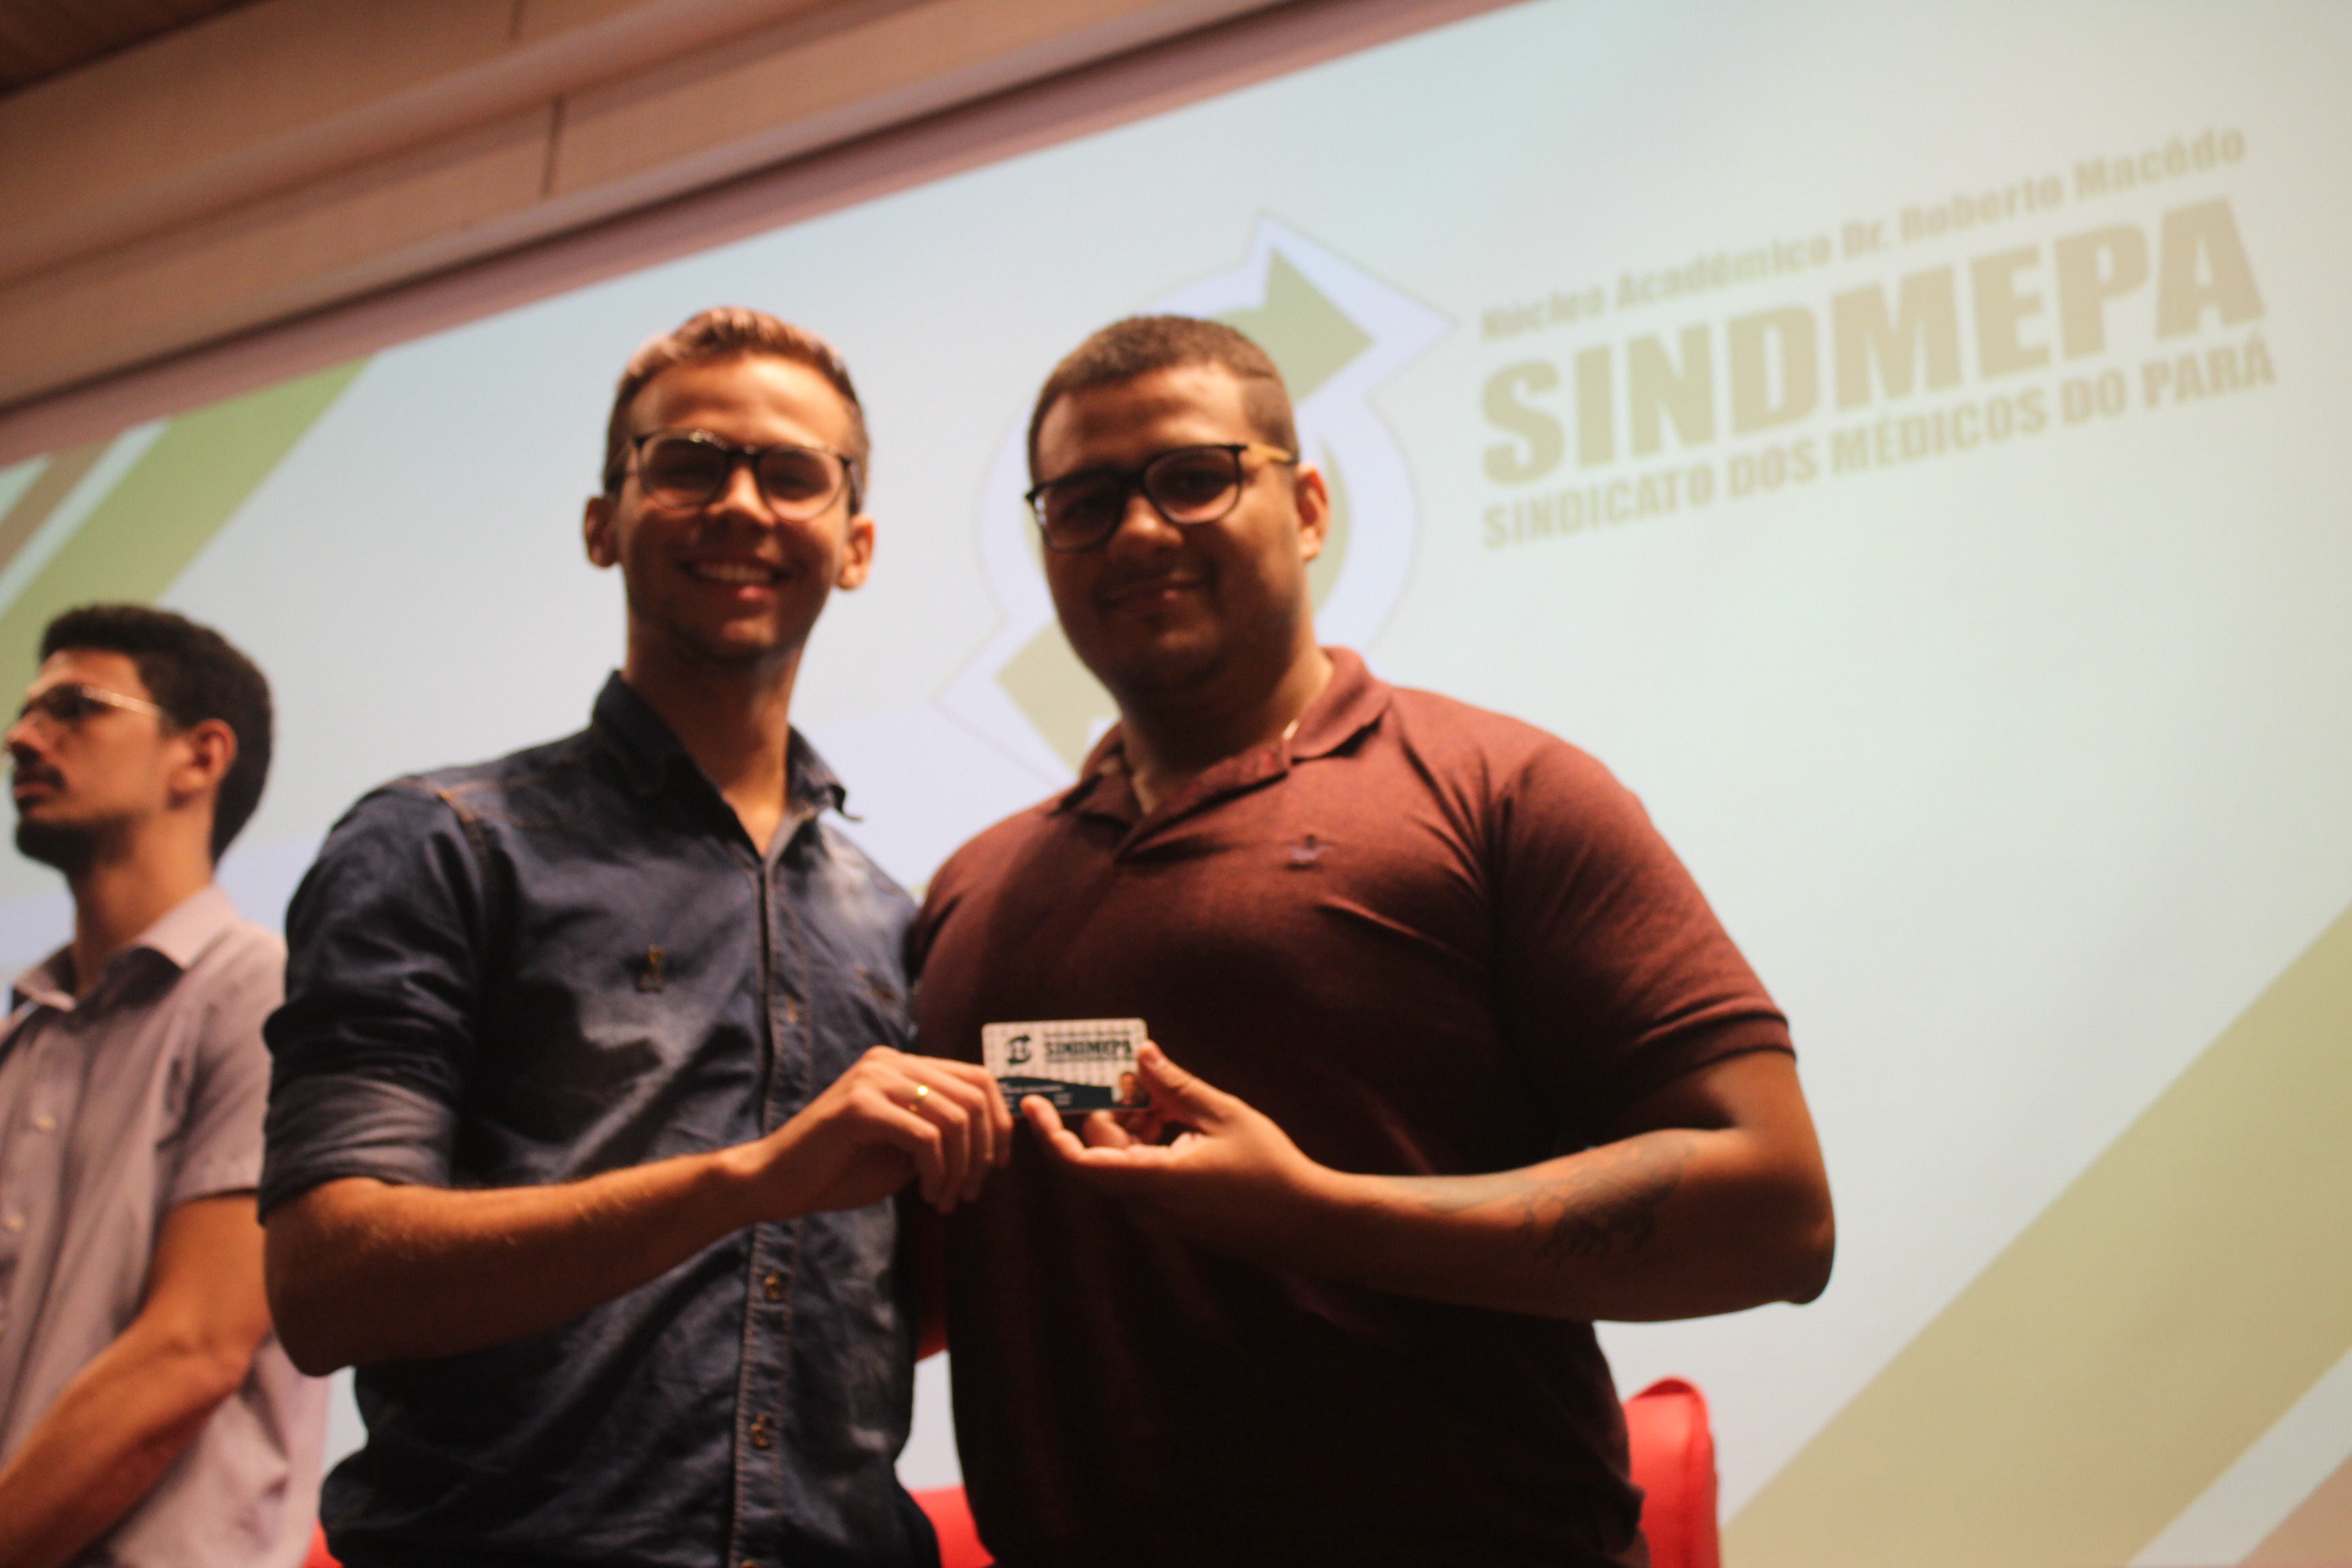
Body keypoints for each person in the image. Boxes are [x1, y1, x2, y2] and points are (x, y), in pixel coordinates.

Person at [911, 316, 1836, 1567]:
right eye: (1084, 502)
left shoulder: (1502, 791)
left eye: (1193, 478)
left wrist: (1316, 1214)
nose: (1137, 530)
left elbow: (1778, 1213)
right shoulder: (971, 894)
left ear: (1306, 507)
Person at [260, 308, 1011, 1568]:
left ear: (857, 543)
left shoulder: (895, 920)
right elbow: (327, 1285)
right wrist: (749, 1182)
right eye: (688, 463)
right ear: (603, 521)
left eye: (793, 474)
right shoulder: (441, 844)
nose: (740, 503)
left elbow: (880, 1301)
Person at [0, 604, 322, 1568]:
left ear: (200, 756)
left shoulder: (263, 995)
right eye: (26, 713)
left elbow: (192, 1350)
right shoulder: (22, 1036)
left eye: (75, 708)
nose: (22, 738)